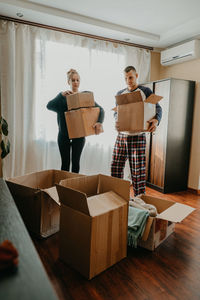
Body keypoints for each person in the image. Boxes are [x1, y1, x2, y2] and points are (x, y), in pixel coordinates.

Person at [111, 66, 162, 196]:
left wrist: (156, 120)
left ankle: (140, 200)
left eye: (130, 77)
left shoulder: (145, 91)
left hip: (138, 136)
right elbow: (117, 112)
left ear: (136, 76)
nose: (128, 80)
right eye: (126, 78)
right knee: (115, 167)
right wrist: (116, 121)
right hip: (122, 136)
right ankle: (116, 196)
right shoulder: (120, 93)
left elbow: (158, 108)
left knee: (137, 172)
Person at [47, 69, 104, 173]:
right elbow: (49, 106)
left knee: (76, 164)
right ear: (68, 82)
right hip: (63, 136)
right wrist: (61, 95)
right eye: (73, 80)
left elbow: (101, 110)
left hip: (79, 136)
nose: (76, 82)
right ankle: (63, 187)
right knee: (65, 164)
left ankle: (73, 187)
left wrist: (99, 122)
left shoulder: (83, 97)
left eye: (78, 80)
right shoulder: (62, 98)